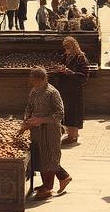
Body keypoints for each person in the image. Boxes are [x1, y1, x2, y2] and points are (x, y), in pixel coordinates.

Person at [20, 66, 71, 199]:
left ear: (42, 79)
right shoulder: (34, 91)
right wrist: (27, 118)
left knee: (50, 156)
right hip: (36, 129)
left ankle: (49, 188)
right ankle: (53, 181)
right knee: (40, 156)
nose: (33, 83)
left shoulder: (52, 92)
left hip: (50, 130)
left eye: (35, 80)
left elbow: (59, 114)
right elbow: (29, 106)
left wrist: (42, 120)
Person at [55, 35, 90, 145]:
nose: (66, 49)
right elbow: (62, 68)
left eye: (68, 47)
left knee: (74, 112)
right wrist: (60, 70)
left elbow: (84, 76)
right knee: (67, 111)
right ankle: (72, 133)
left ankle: (72, 136)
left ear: (74, 46)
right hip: (65, 89)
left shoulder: (80, 58)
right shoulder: (65, 56)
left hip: (75, 90)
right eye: (65, 47)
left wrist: (70, 73)